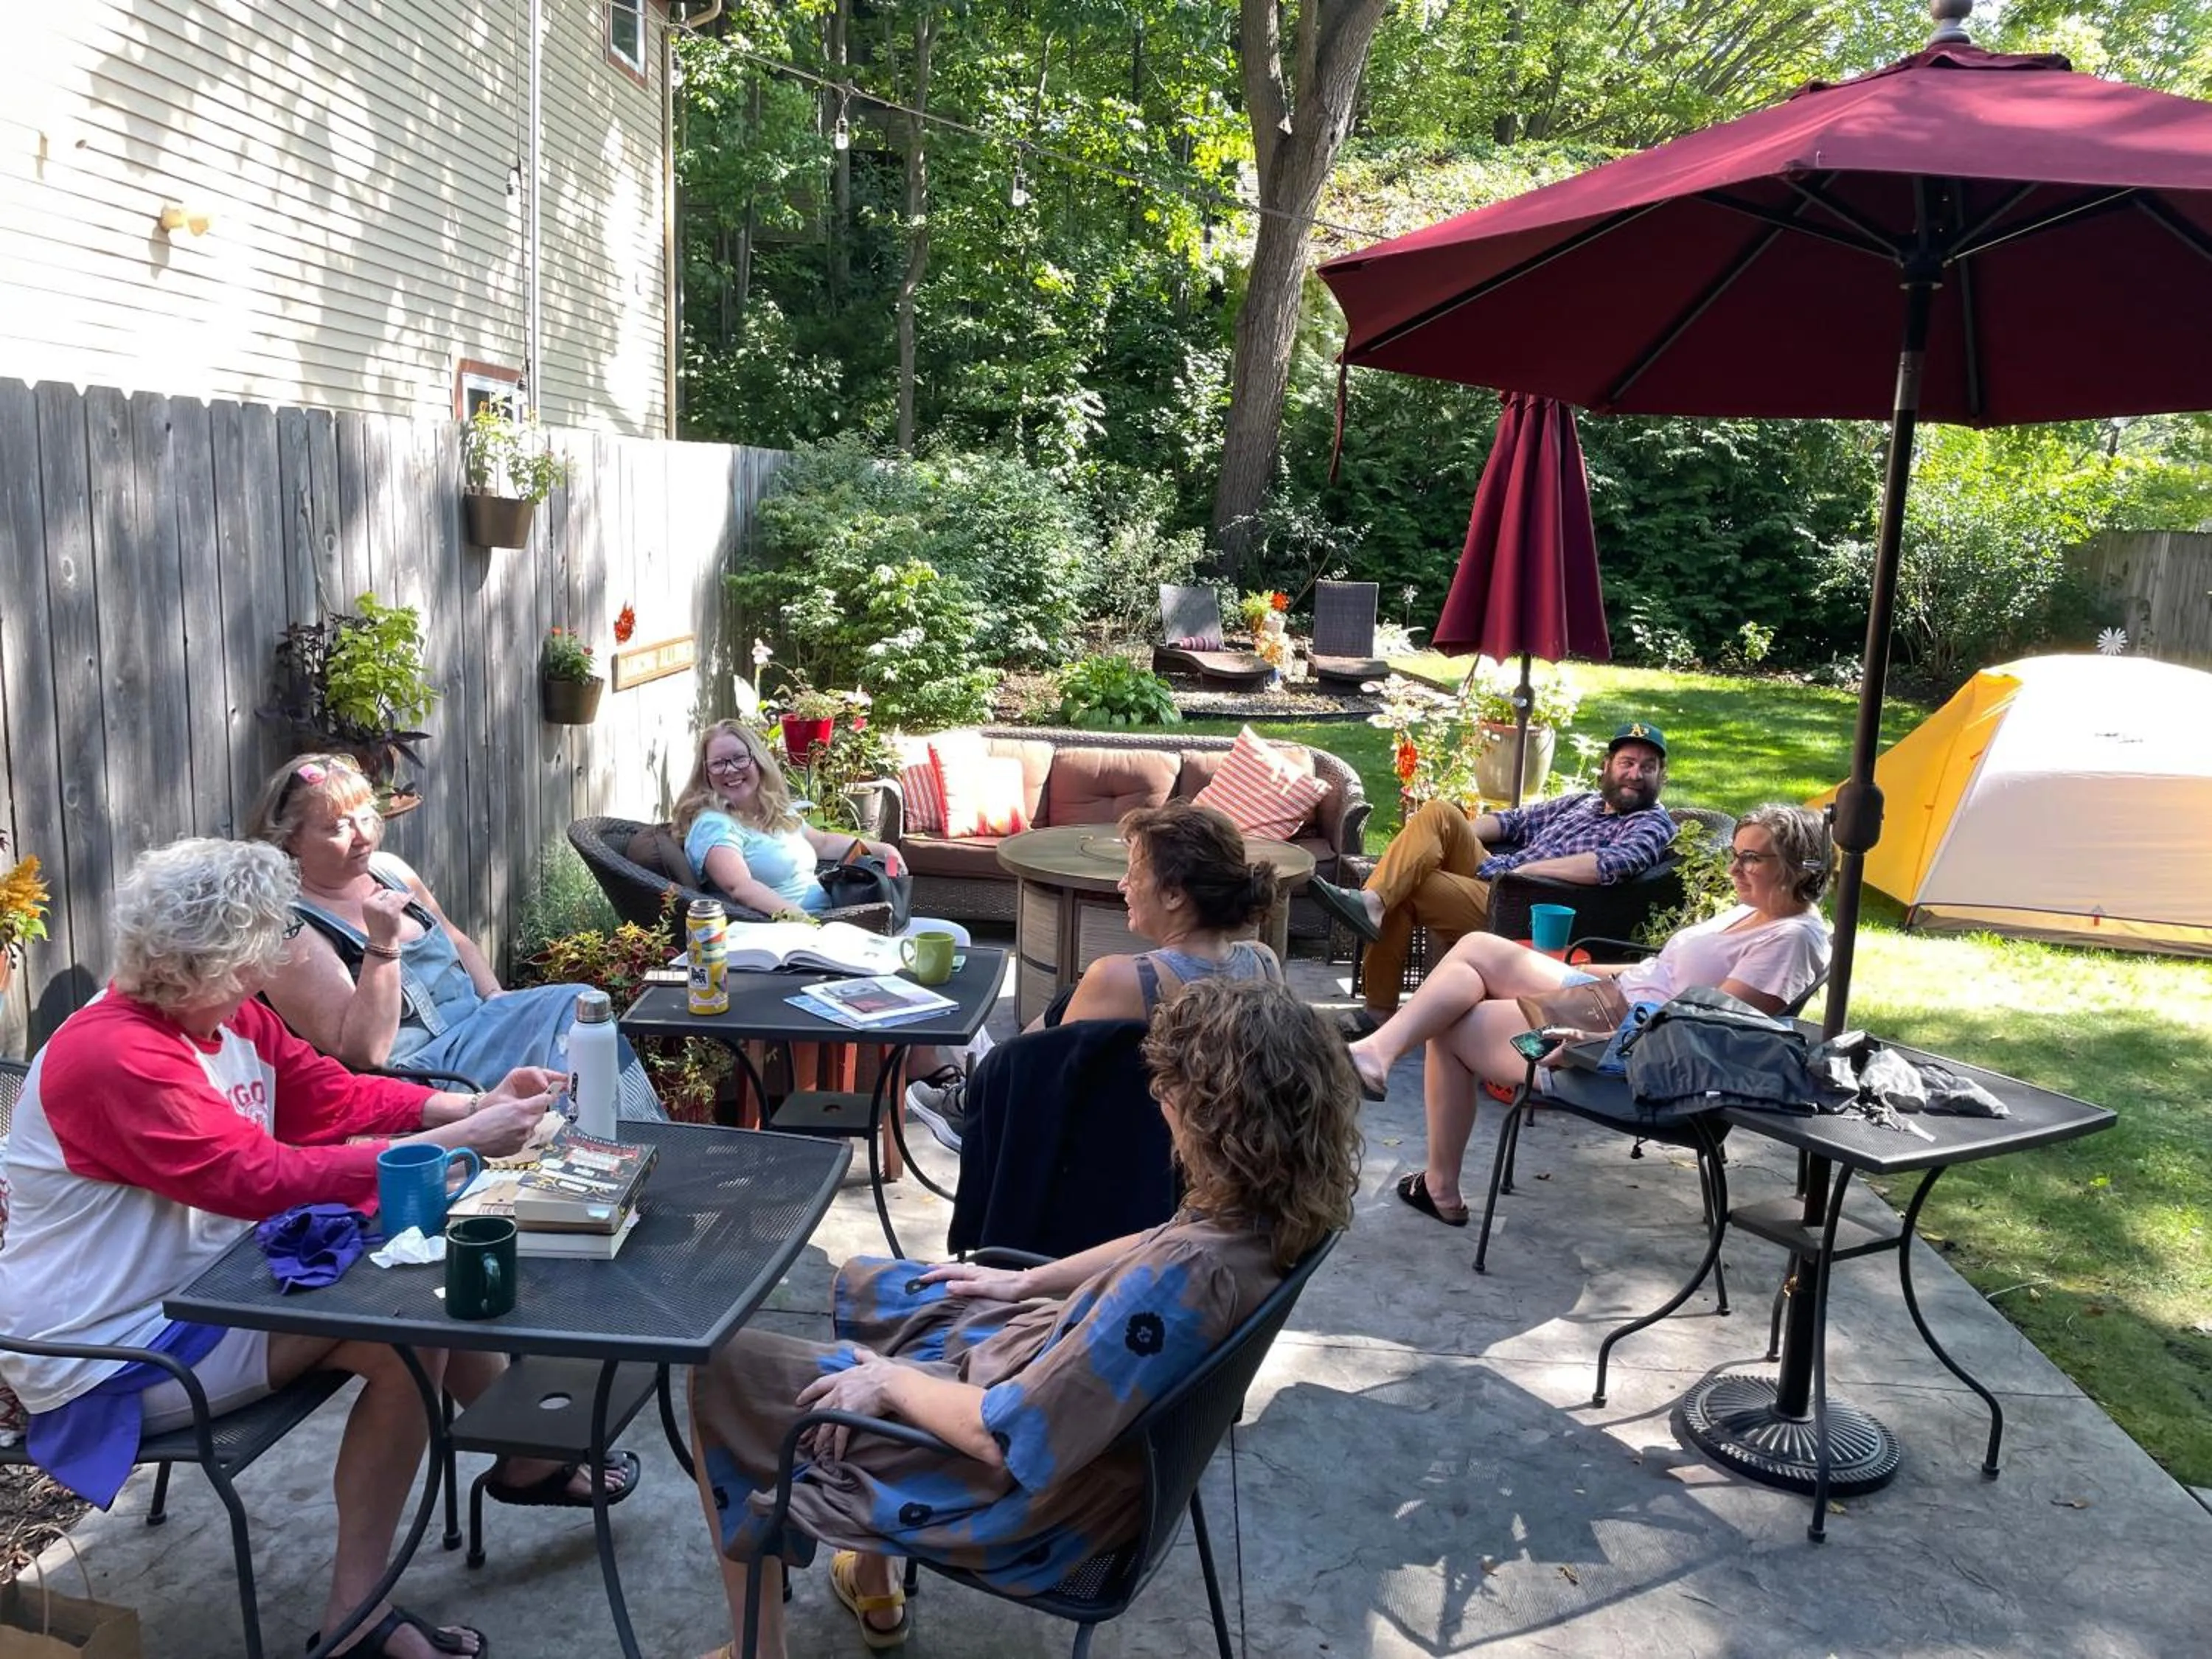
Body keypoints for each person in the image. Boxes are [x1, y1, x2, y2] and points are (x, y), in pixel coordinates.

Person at [0, 839, 639, 1659]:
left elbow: (327, 1096)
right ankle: (359, 1619)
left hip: (210, 1295)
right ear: (215, 956)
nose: (280, 956)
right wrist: (467, 1140)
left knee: (425, 1282)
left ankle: (524, 1461)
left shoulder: (228, 1014)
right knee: (407, 1333)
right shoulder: (111, 1054)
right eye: (267, 941)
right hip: (112, 1352)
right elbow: (257, 1177)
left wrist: (465, 1106)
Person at [684, 976, 1361, 1659]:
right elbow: (1165, 1234)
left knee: (724, 1372)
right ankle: (873, 1579)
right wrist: (1025, 1282)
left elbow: (1009, 1438)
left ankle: (757, 1651)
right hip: (1083, 1418)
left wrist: (888, 1383)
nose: (1161, 1101)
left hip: (1032, 1498)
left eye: (1172, 1088)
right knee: (892, 1286)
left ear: (1219, 1114)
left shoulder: (1183, 1279)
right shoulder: (1271, 1207)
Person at [1350, 804, 1832, 1227]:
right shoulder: (1755, 910)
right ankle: (1377, 1052)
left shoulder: (1791, 940)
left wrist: (1582, 1030)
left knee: (1453, 1027)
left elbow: (1705, 1033)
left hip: (1620, 1054)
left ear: (1798, 865)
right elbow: (1663, 971)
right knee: (1478, 948)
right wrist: (1574, 972)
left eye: (1752, 858)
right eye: (1736, 853)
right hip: (1611, 1001)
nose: (1735, 867)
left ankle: (1440, 1187)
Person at [249, 752, 666, 1122]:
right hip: (422, 1074)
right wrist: (382, 945)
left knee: (580, 1010)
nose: (362, 835)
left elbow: (456, 940)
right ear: (290, 840)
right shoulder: (286, 927)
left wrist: (496, 996)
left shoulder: (389, 870)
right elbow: (364, 1054)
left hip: (479, 1029)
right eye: (338, 826)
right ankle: (595, 1156)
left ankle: (636, 1140)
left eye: (364, 816)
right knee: (572, 1040)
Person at [903, 799, 1284, 1152]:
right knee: (1068, 1002)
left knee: (1059, 1015)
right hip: (1227, 1150)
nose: (1123, 885)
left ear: (1173, 896)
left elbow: (1043, 1078)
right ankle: (971, 1096)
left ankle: (970, 1109)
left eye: (1134, 874)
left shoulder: (1126, 979)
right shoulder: (1263, 963)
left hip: (1122, 1152)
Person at [1308, 721, 1678, 1022]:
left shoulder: (1651, 823)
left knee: (1409, 887)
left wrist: (1531, 871)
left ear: (1660, 776)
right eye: (1627, 763)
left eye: (1648, 767)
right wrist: (1433, 843)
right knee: (1438, 813)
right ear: (1608, 766)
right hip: (1501, 877)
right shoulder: (1585, 803)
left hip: (1529, 904)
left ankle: (1378, 1009)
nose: (1635, 774)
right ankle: (1374, 901)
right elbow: (1511, 821)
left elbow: (1612, 865)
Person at [676, 720, 966, 942]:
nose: (731, 770)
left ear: (757, 760)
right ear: (705, 773)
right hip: (797, 935)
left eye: (740, 758)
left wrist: (883, 849)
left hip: (839, 916)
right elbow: (740, 888)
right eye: (718, 763)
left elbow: (823, 842)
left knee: (954, 936)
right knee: (950, 940)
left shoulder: (773, 809)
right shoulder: (713, 824)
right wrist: (804, 922)